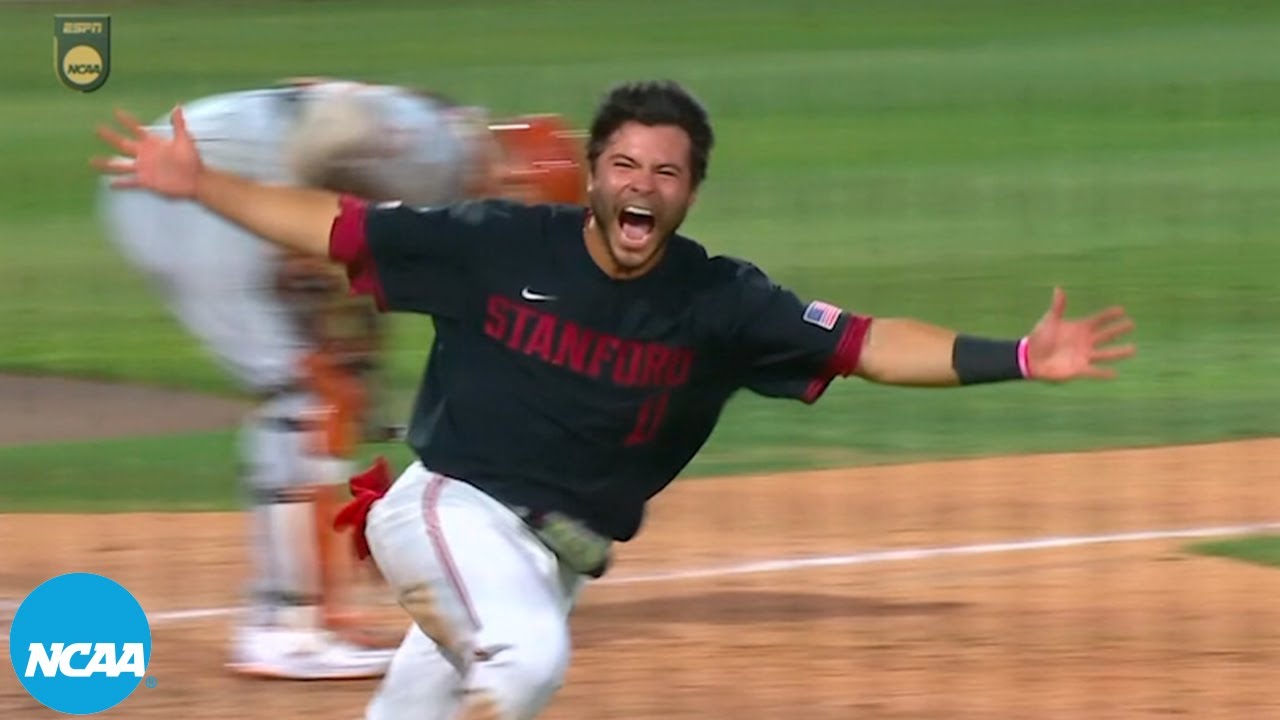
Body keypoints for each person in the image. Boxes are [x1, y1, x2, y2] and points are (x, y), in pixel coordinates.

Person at [92, 79, 1136, 718]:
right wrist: (203, 187)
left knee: (426, 697)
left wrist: (1015, 355)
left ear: (688, 192)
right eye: (623, 164)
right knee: (529, 656)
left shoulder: (720, 300)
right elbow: (337, 227)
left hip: (556, 555)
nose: (641, 185)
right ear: (593, 175)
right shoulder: (493, 245)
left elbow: (864, 344)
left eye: (666, 172)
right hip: (446, 510)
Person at [94, 77, 588, 682]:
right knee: (304, 396)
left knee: (337, 384)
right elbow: (336, 128)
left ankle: (324, 610)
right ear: (514, 187)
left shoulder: (446, 161)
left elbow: (315, 106)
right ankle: (286, 630)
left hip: (216, 191)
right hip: (185, 196)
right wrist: (308, 256)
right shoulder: (437, 157)